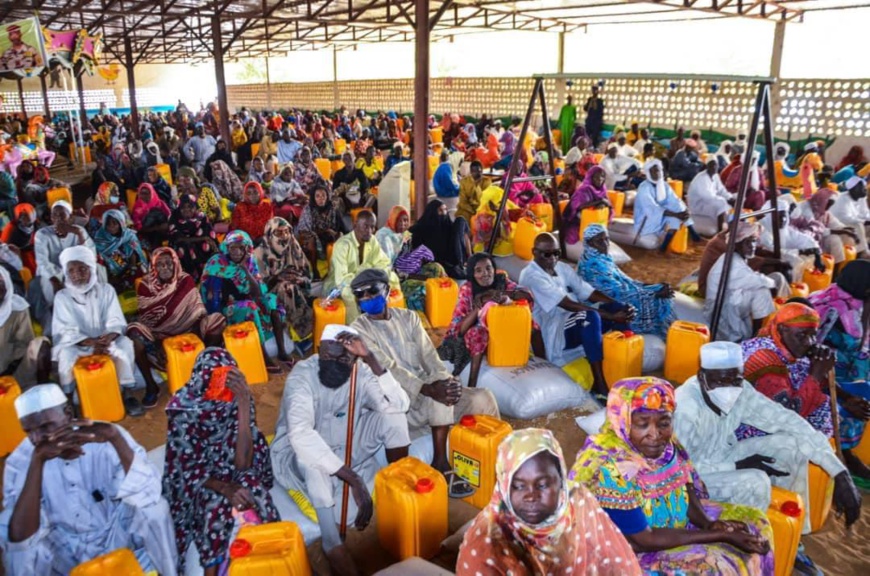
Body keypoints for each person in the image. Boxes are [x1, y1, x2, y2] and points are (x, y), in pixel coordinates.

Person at [570, 377, 775, 574]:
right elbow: (644, 539)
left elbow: (684, 487)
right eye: (642, 424)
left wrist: (707, 523)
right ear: (621, 421)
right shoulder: (611, 466)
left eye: (663, 422)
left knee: (755, 522)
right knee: (710, 568)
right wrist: (718, 535)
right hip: (631, 551)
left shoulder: (666, 448)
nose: (655, 434)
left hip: (673, 529)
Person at [674, 342, 862, 536]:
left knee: (789, 445)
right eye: (721, 381)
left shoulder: (741, 391)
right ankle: (751, 541)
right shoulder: (686, 409)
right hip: (690, 482)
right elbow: (678, 471)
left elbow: (789, 421)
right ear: (702, 377)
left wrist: (839, 472)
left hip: (724, 456)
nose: (729, 388)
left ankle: (792, 537)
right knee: (755, 481)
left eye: (735, 380)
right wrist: (736, 466)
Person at [270, 325, 411, 576]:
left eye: (345, 357)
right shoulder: (302, 376)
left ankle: (397, 486)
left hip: (347, 447)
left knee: (395, 420)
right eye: (330, 354)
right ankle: (331, 542)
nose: (336, 362)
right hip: (298, 456)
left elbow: (400, 405)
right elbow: (301, 435)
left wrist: (371, 359)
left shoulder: (361, 371)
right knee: (313, 462)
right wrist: (353, 479)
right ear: (318, 350)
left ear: (354, 357)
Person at [0, 383, 177, 576]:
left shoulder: (103, 434)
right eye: (28, 431)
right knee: (15, 542)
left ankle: (169, 572)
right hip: (62, 546)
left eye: (45, 426)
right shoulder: (21, 460)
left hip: (115, 535)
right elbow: (20, 536)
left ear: (68, 414)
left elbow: (148, 491)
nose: (37, 438)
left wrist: (115, 438)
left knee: (155, 510)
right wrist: (37, 462)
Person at [350, 269, 499, 495]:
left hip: (428, 392)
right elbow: (389, 369)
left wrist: (448, 382)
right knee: (437, 395)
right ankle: (441, 463)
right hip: (399, 405)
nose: (367, 298)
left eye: (372, 291)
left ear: (387, 290)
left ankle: (497, 459)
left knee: (483, 397)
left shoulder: (408, 318)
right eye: (360, 295)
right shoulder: (358, 329)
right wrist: (429, 388)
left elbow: (430, 356)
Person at [457, 428, 641, 575]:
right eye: (519, 486)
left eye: (542, 485)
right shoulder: (487, 544)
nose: (531, 496)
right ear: (504, 486)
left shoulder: (578, 500)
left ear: (561, 481)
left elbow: (610, 560)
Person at [163, 348, 279, 575]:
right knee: (213, 508)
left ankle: (272, 557)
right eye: (216, 379)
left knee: (257, 496)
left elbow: (243, 465)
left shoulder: (238, 396)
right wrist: (225, 487)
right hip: (201, 477)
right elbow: (184, 468)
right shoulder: (182, 409)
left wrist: (244, 403)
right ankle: (214, 567)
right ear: (202, 378)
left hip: (234, 463)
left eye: (230, 376)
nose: (224, 386)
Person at [519, 233, 635, 396]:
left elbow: (586, 292)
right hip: (553, 330)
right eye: (547, 254)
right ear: (534, 252)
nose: (552, 258)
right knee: (589, 316)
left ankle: (624, 372)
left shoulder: (561, 268)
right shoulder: (531, 275)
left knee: (615, 307)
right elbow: (567, 304)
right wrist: (610, 317)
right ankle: (599, 384)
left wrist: (618, 308)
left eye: (556, 253)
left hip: (571, 320)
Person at [127, 247, 226, 407]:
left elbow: (197, 313)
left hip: (190, 333)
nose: (165, 267)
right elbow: (147, 319)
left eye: (168, 263)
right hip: (159, 342)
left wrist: (192, 339)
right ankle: (152, 387)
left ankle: (203, 368)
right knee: (134, 331)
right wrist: (161, 342)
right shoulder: (145, 285)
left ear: (175, 263)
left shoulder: (185, 279)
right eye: (159, 264)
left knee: (217, 321)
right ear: (153, 266)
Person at [52, 246, 142, 413]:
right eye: (71, 270)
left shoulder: (106, 290)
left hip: (106, 341)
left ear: (91, 269)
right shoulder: (62, 297)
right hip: (77, 344)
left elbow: (115, 319)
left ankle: (128, 394)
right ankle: (69, 400)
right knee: (65, 355)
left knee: (125, 345)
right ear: (66, 273)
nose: (77, 274)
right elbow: (64, 329)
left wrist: (107, 338)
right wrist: (90, 342)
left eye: (82, 268)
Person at [438, 252, 542, 388]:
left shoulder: (501, 280)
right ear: (472, 274)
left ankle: (543, 363)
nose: (485, 274)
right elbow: (459, 330)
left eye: (488, 268)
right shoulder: (467, 290)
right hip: (475, 333)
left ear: (494, 268)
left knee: (533, 326)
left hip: (501, 329)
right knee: (478, 333)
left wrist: (499, 294)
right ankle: (472, 385)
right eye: (478, 270)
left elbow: (527, 296)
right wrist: (478, 307)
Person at [808, 260, 870, 479]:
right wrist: (845, 398)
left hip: (850, 373)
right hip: (822, 378)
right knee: (857, 398)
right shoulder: (829, 310)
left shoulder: (858, 304)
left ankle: (846, 449)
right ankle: (836, 456)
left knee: (863, 392)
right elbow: (807, 361)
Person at [201, 230, 291, 369]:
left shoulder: (249, 262)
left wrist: (245, 270)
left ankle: (282, 351)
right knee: (250, 306)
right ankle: (264, 357)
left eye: (240, 248)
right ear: (227, 248)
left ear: (246, 249)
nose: (236, 252)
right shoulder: (217, 263)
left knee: (272, 300)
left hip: (246, 299)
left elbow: (258, 292)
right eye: (233, 248)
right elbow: (212, 297)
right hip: (225, 309)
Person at [579, 225, 675, 338]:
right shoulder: (591, 265)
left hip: (618, 293)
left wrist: (653, 287)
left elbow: (626, 281)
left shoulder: (604, 258)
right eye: (599, 241)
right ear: (589, 243)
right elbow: (614, 292)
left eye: (606, 239)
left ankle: (670, 331)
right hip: (603, 303)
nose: (605, 244)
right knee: (652, 298)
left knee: (660, 290)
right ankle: (655, 330)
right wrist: (653, 293)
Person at [704, 221, 777, 342]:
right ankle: (755, 337)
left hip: (731, 301)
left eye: (754, 241)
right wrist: (773, 283)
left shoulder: (738, 258)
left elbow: (753, 278)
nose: (752, 246)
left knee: (761, 291)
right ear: (737, 244)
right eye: (747, 242)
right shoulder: (731, 262)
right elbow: (755, 279)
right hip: (720, 308)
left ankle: (756, 334)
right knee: (761, 290)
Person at [31, 201, 95, 336]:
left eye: (62, 215)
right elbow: (42, 263)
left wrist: (78, 234)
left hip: (74, 276)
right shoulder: (42, 234)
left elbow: (89, 258)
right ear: (51, 218)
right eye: (55, 216)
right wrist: (56, 280)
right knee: (37, 284)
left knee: (98, 270)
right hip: (50, 278)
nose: (58, 219)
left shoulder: (79, 231)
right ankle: (48, 326)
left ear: (70, 218)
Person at [324, 210, 398, 322]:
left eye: (372, 227)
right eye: (365, 226)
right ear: (355, 225)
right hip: (339, 285)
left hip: (366, 280)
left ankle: (391, 319)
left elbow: (384, 263)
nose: (369, 231)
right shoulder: (342, 245)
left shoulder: (372, 240)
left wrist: (373, 277)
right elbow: (341, 280)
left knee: (392, 277)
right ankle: (357, 327)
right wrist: (364, 278)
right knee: (348, 293)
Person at [253, 217, 314, 345]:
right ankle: (303, 332)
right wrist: (277, 277)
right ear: (270, 234)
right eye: (278, 233)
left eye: (286, 231)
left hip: (294, 286)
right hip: (269, 291)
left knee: (292, 286)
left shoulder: (293, 245)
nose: (284, 236)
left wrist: (299, 278)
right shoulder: (259, 254)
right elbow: (259, 288)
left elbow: (307, 272)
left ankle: (305, 327)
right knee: (287, 288)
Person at [375, 205, 444, 311]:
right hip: (393, 279)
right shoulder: (384, 238)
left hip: (406, 270)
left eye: (406, 220)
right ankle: (417, 316)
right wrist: (412, 276)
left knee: (436, 268)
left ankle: (441, 308)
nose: (403, 224)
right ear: (393, 220)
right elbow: (386, 269)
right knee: (422, 286)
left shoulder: (403, 235)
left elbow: (407, 257)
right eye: (399, 221)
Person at [0, 266, 50, 388]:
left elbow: (24, 344)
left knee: (41, 345)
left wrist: (8, 372)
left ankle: (41, 392)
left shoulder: (18, 309)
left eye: (1, 283)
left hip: (14, 372)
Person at [634, 159, 700, 252]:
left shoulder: (664, 185)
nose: (656, 173)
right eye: (653, 171)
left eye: (658, 170)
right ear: (648, 173)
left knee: (677, 211)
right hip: (646, 220)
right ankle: (692, 234)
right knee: (675, 216)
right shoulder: (644, 187)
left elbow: (675, 200)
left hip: (661, 216)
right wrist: (676, 214)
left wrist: (684, 210)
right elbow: (652, 209)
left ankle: (664, 247)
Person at [792, 187, 858, 265]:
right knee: (834, 239)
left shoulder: (822, 210)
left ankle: (839, 267)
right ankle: (835, 268)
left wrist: (845, 228)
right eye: (828, 204)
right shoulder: (806, 209)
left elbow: (833, 223)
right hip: (805, 241)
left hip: (819, 238)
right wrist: (841, 231)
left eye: (831, 205)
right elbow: (815, 229)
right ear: (823, 201)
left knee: (843, 237)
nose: (829, 207)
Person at [168, 193, 218, 284]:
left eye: (190, 206)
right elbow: (178, 239)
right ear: (179, 207)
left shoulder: (201, 217)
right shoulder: (174, 216)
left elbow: (210, 236)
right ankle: (191, 276)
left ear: (195, 207)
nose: (187, 209)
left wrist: (212, 244)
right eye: (183, 207)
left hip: (198, 243)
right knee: (184, 247)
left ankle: (208, 272)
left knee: (207, 245)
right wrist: (203, 238)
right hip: (180, 245)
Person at [93, 209, 147, 292]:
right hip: (111, 272)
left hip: (130, 265)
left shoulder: (128, 235)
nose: (111, 226)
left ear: (121, 223)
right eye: (108, 224)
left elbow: (134, 251)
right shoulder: (100, 237)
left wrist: (132, 267)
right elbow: (100, 258)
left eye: (114, 223)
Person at [562, 165, 612, 245]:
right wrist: (599, 202)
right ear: (591, 177)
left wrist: (602, 204)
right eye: (596, 176)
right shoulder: (583, 190)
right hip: (576, 222)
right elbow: (577, 207)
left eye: (602, 176)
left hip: (594, 222)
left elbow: (608, 204)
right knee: (574, 236)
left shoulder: (602, 189)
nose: (600, 179)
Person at [688, 155, 733, 233]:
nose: (714, 167)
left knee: (727, 204)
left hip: (709, 202)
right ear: (707, 166)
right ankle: (720, 233)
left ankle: (727, 229)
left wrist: (730, 198)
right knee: (721, 204)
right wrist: (724, 200)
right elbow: (707, 196)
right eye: (711, 165)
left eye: (716, 165)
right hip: (698, 205)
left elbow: (721, 190)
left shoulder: (715, 176)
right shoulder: (701, 178)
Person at [829, 176, 869, 257]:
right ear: (854, 189)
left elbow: (865, 213)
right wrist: (863, 221)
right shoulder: (842, 200)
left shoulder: (861, 198)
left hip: (854, 223)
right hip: (838, 226)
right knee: (858, 225)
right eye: (862, 188)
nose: (865, 189)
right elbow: (845, 218)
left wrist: (866, 220)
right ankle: (863, 252)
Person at [131, 183, 171, 250]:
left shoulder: (160, 203)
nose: (143, 196)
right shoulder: (137, 207)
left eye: (146, 193)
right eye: (141, 193)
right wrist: (157, 228)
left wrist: (166, 225)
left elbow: (170, 216)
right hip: (148, 232)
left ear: (152, 193)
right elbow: (139, 228)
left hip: (163, 229)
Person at [332, 151, 374, 215]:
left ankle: (362, 210)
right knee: (336, 199)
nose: (348, 160)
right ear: (343, 160)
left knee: (371, 196)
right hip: (345, 199)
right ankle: (348, 211)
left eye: (350, 158)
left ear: (354, 158)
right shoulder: (338, 174)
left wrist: (354, 188)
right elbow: (335, 188)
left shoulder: (360, 172)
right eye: (345, 158)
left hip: (359, 195)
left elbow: (366, 186)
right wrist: (343, 189)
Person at [1, 202, 37, 273]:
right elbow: (3, 245)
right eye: (22, 216)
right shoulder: (11, 228)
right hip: (17, 255)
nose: (24, 219)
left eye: (26, 215)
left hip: (30, 251)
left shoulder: (35, 225)